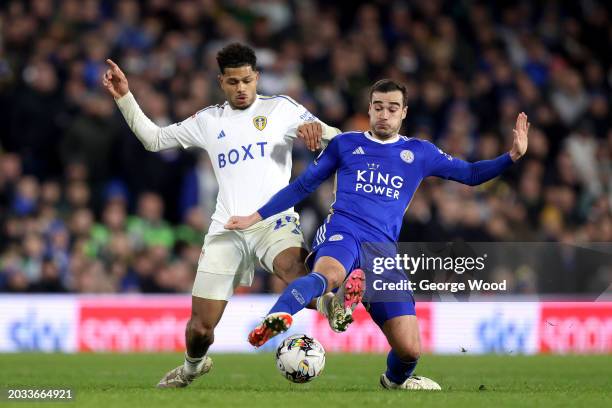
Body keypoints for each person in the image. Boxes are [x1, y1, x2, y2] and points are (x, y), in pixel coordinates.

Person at [226, 79, 530, 390]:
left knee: (409, 350)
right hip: (343, 231)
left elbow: (470, 174)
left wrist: (511, 157)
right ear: (370, 109)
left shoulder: (419, 152)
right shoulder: (345, 144)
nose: (384, 114)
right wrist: (256, 215)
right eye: (379, 107)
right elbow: (303, 185)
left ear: (404, 113)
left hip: (382, 252)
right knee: (327, 274)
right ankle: (277, 317)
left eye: (392, 108)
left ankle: (393, 381)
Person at [102, 43, 345, 388]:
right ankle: (192, 367)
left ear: (257, 77)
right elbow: (154, 140)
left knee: (294, 268)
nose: (241, 88)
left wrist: (319, 133)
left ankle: (330, 305)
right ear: (221, 82)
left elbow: (339, 142)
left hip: (273, 223)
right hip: (226, 230)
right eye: (233, 82)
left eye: (247, 80)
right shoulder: (208, 120)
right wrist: (125, 97)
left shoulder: (283, 109)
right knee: (200, 328)